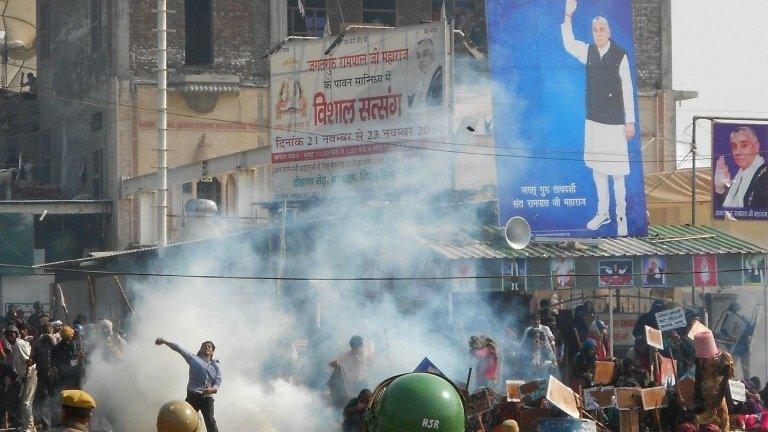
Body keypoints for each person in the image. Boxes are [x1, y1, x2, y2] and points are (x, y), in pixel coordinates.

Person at [561, 0, 636, 236]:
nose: (598, 33)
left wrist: (630, 121)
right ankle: (603, 213)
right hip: (593, 121)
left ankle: (621, 216)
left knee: (617, 174)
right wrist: (568, 15)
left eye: (602, 29)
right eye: (595, 30)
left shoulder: (620, 55)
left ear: (609, 32)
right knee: (598, 171)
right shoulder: (588, 51)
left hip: (615, 124)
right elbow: (569, 44)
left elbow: (628, 88)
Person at [156, 338, 221, 432]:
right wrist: (165, 342)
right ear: (201, 350)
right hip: (193, 396)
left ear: (212, 351)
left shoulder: (216, 367)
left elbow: (217, 383)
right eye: (204, 346)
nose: (206, 347)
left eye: (209, 347)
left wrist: (211, 389)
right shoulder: (193, 358)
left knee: (210, 420)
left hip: (207, 398)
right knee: (182, 418)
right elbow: (179, 348)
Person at [714, 126, 768, 209]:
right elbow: (728, 213)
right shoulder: (740, 176)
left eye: (744, 145)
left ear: (756, 146)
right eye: (734, 147)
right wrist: (719, 188)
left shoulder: (764, 177)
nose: (738, 152)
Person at [691, 330, 734, 432]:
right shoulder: (701, 362)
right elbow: (698, 381)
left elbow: (724, 383)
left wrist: (717, 402)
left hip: (716, 400)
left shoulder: (720, 361)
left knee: (720, 424)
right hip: (706, 398)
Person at [7, 325, 37, 432]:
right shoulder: (14, 346)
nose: (9, 337)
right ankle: (26, 425)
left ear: (16, 335)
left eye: (12, 335)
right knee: (23, 402)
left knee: (26, 402)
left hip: (30, 375)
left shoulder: (19, 344)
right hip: (24, 376)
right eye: (8, 335)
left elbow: (29, 361)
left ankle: (29, 427)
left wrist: (26, 376)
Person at [32, 322, 57, 430]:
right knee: (43, 399)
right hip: (42, 373)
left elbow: (58, 352)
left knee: (55, 398)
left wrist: (52, 342)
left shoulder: (56, 340)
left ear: (51, 330)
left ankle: (55, 423)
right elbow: (33, 357)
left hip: (54, 373)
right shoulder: (37, 343)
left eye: (48, 331)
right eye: (45, 331)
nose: (47, 333)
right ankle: (45, 424)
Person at [407, 38, 443, 108]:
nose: (421, 60)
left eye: (425, 54)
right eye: (418, 56)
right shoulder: (421, 80)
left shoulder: (439, 75)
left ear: (433, 55)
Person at [725, 302, 753, 379]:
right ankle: (731, 385)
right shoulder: (728, 320)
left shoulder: (745, 320)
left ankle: (748, 384)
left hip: (744, 348)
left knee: (746, 370)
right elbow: (724, 332)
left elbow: (750, 332)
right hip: (734, 348)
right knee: (732, 369)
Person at [51, 326, 81, 391]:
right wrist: (77, 360)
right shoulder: (58, 348)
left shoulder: (75, 345)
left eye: (69, 338)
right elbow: (67, 363)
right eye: (66, 339)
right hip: (65, 377)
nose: (68, 340)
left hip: (74, 375)